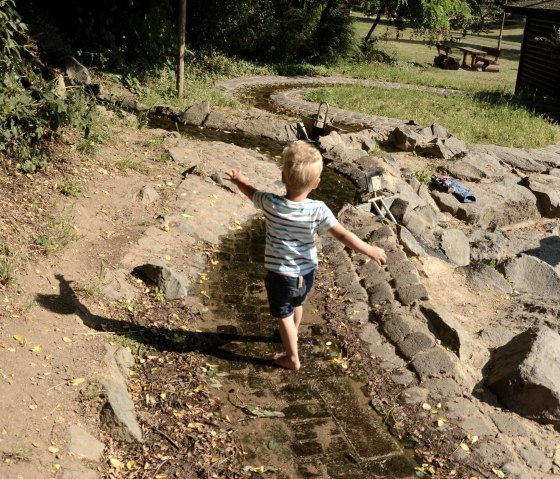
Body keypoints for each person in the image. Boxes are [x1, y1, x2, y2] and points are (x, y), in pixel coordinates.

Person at [225, 141, 387, 370]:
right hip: (307, 272)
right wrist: (368, 249)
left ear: (283, 176)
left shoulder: (271, 203)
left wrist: (240, 180)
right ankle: (295, 333)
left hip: (281, 275)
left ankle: (292, 357)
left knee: (283, 314)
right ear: (316, 183)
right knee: (297, 302)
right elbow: (342, 235)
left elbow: (251, 192)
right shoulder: (318, 209)